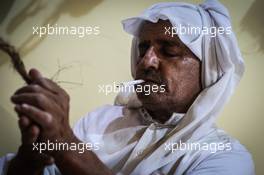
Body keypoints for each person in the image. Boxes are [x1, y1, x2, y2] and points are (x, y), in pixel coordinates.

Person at [0, 0, 255, 174]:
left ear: (209, 69)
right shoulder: (100, 120)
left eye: (169, 51)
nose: (146, 62)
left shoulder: (225, 157)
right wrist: (31, 158)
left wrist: (64, 143)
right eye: (143, 48)